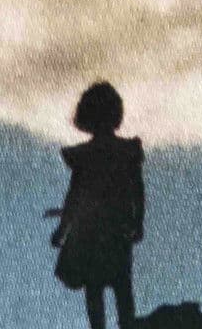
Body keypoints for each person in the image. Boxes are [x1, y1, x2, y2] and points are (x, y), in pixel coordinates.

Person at [51, 82, 145, 329]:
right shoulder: (127, 151)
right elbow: (138, 191)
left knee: (95, 289)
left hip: (92, 232)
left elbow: (74, 196)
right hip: (118, 228)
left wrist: (62, 230)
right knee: (122, 286)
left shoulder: (85, 155)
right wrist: (138, 222)